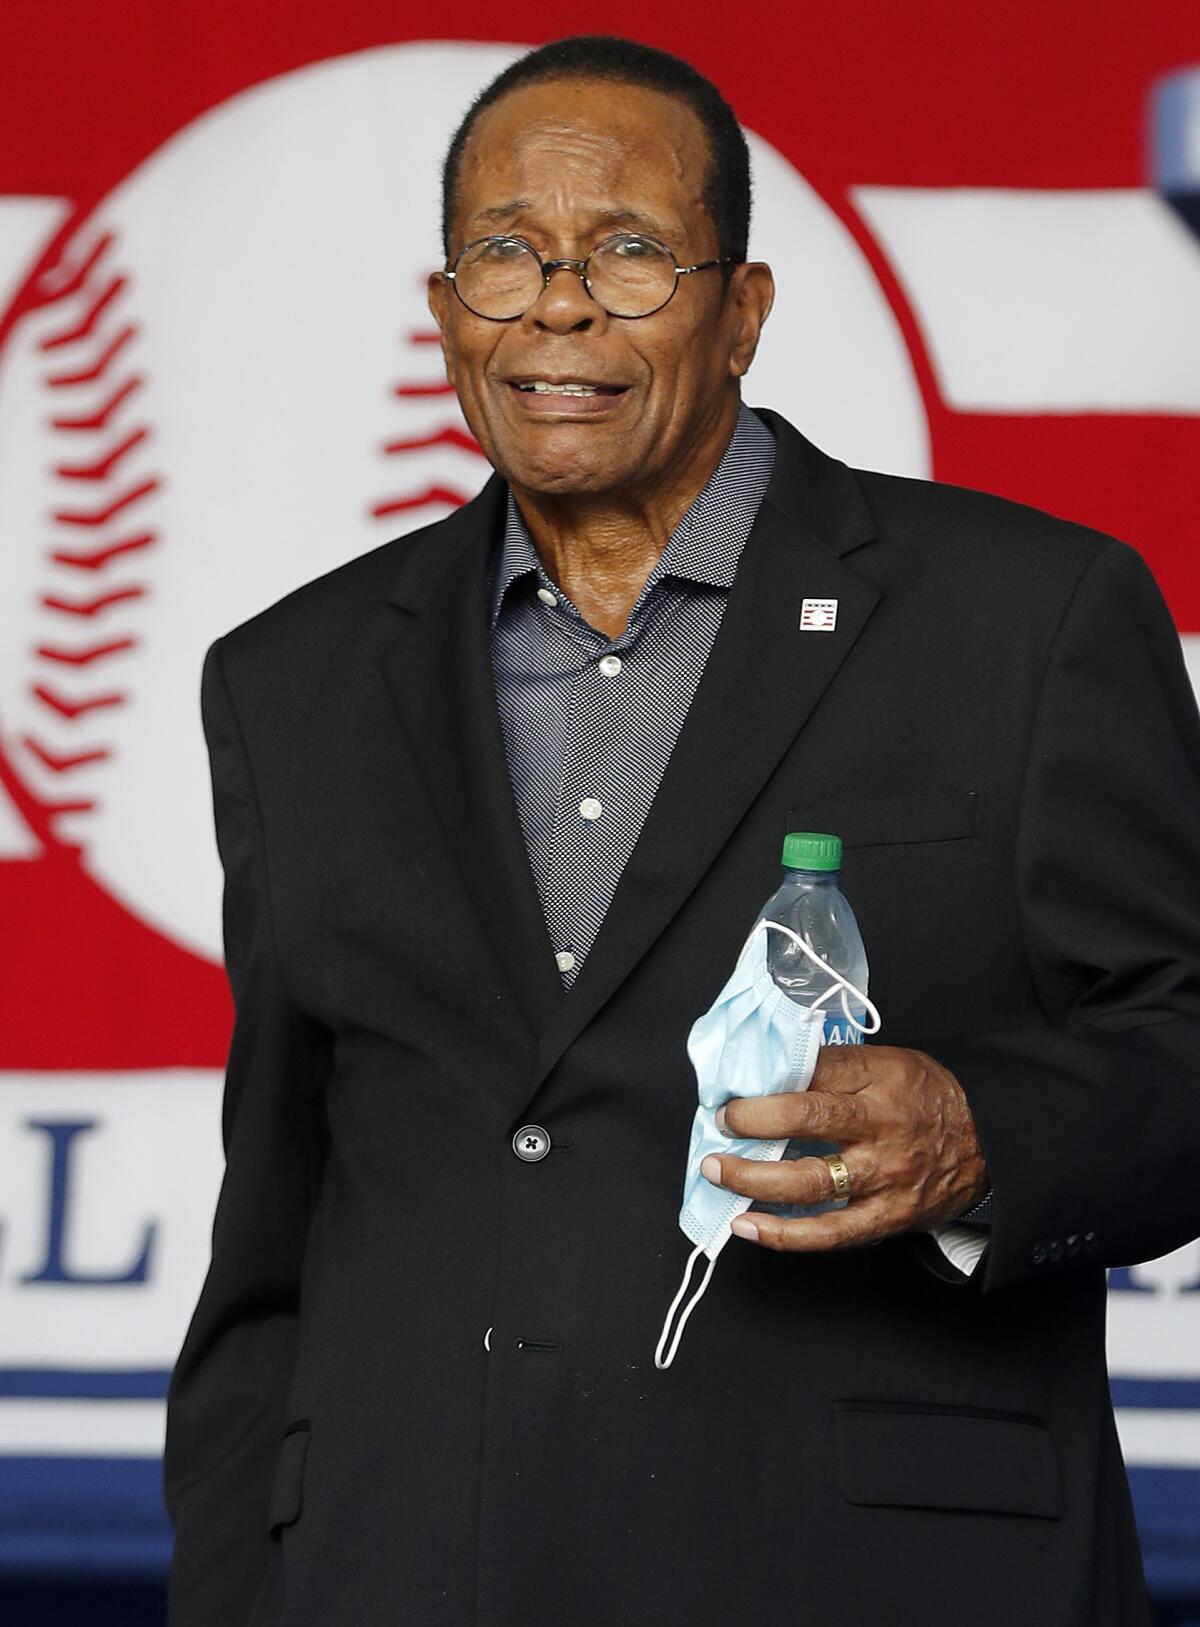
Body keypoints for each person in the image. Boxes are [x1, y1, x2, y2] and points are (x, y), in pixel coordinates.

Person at [163, 34, 1200, 1627]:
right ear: (445, 310)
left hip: (874, 1577)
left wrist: (990, 1132)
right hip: (398, 1570)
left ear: (745, 313)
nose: (558, 304)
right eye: (505, 253)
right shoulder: (289, 680)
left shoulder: (1030, 616)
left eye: (631, 252)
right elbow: (278, 1237)